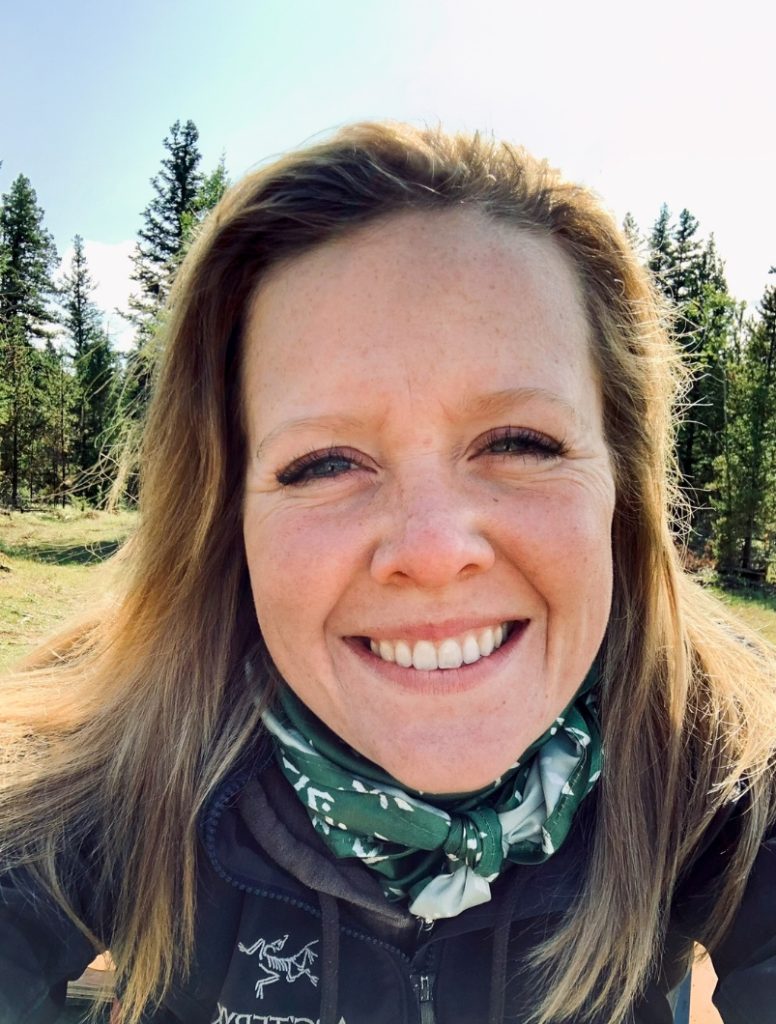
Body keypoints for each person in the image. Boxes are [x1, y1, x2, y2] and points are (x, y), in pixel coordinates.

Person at [1, 122, 775, 1024]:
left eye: (520, 442)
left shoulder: (719, 769)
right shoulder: (126, 747)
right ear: (226, 519)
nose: (434, 548)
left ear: (621, 489)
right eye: (325, 462)